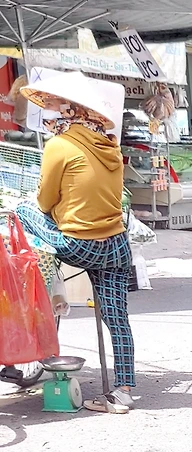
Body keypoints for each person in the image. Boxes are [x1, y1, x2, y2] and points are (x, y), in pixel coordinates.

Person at [18, 70, 136, 410]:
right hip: (116, 246)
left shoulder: (60, 145)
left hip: (77, 245)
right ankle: (123, 391)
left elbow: (44, 202)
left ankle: (46, 284)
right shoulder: (110, 146)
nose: (49, 111)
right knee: (117, 318)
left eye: (54, 105)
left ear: (70, 109)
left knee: (23, 209)